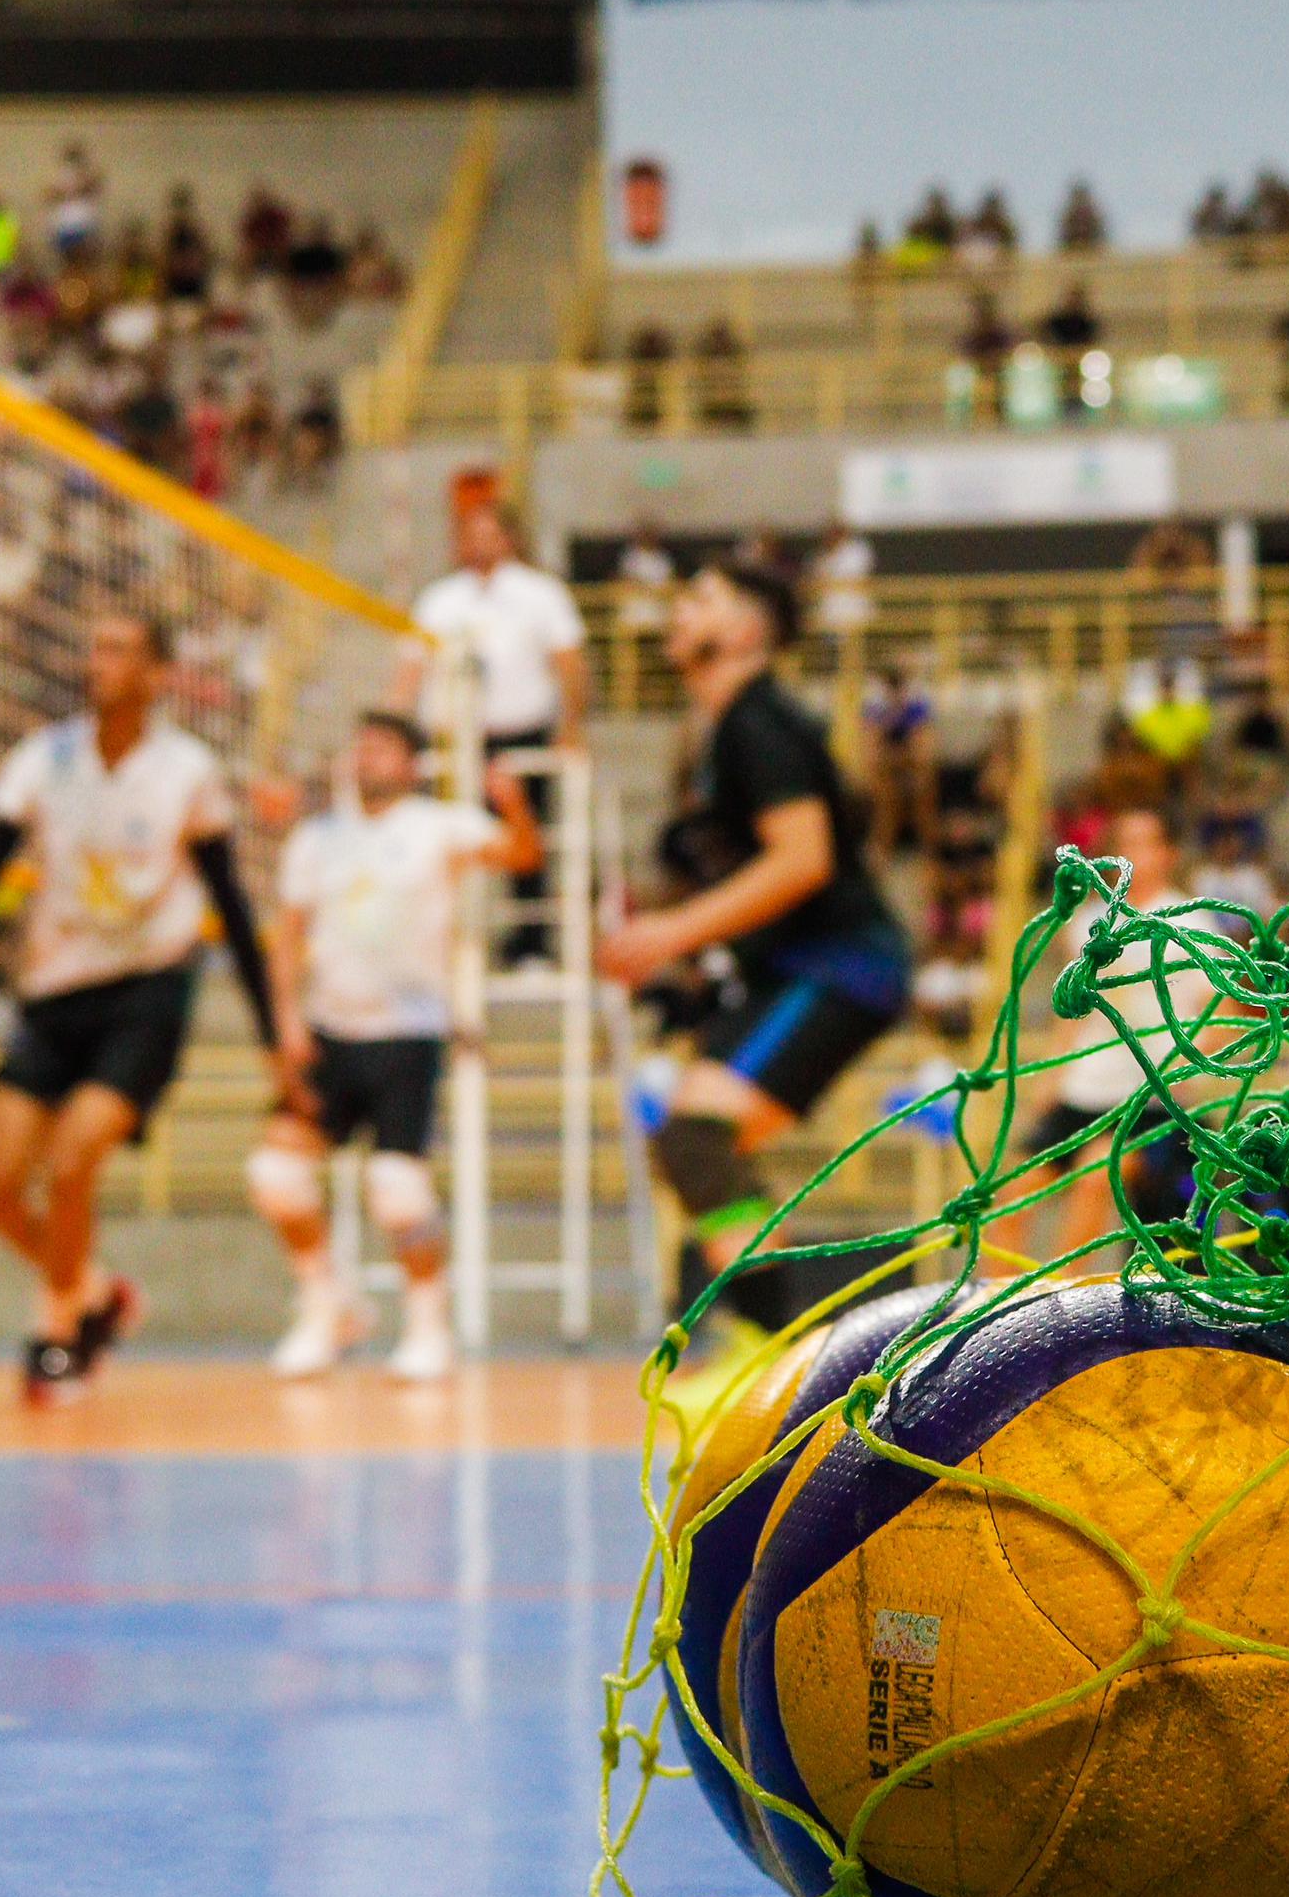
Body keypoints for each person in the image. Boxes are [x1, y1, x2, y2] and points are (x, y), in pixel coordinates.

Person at [0, 610, 280, 1389]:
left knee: (71, 1165)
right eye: (97, 646)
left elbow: (233, 905)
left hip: (147, 993)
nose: (96, 660)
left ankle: (59, 1329)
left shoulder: (186, 770)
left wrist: (274, 1031)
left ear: (157, 675)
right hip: (53, 992)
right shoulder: (43, 758)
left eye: (117, 648)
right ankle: (98, 1293)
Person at [594, 561, 913, 1373]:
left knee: (698, 1141)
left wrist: (671, 934)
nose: (679, 606)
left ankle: (786, 1358)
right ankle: (786, 1350)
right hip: (800, 967)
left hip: (840, 966)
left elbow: (801, 860)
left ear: (745, 632)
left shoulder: (756, 724)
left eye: (702, 597)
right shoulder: (729, 727)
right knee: (697, 1149)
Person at [244, 711, 538, 1382]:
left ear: (411, 764)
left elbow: (521, 857)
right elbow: (287, 936)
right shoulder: (318, 838)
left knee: (397, 1187)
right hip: (328, 1031)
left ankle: (429, 1323)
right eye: (360, 746)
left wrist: (515, 809)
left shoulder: (438, 826)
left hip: (408, 1030)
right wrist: (285, 1022)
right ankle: (328, 1305)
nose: (366, 758)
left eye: (381, 748)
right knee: (275, 1176)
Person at [1011, 805, 1210, 1262]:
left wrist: (1186, 1062)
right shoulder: (1089, 926)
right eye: (1126, 845)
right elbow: (1072, 1011)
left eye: (1146, 843)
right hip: (1086, 1087)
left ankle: (1063, 1306)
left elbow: (1219, 1010)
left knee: (1097, 1176)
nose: (1136, 854)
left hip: (1151, 1098)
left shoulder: (1192, 923)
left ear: (1168, 853)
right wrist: (1052, 1075)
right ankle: (1001, 1309)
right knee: (1012, 1192)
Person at [396, 492, 586, 969]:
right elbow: (408, 671)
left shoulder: (541, 593)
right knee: (446, 843)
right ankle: (447, 945)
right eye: (469, 532)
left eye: (488, 530)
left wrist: (572, 727)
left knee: (526, 844)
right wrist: (393, 730)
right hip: (451, 744)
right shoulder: (439, 598)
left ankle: (530, 946)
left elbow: (569, 664)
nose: (477, 541)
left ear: (509, 536)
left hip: (521, 743)